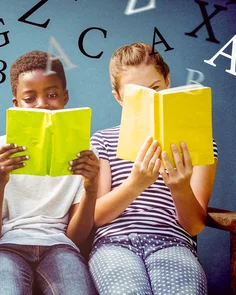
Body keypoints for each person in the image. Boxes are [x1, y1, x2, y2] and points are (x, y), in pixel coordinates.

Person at [89, 42, 218, 295]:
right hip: (114, 244)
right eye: (136, 94)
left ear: (168, 82)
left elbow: (193, 226)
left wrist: (179, 187)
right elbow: (97, 216)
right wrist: (135, 183)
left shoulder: (201, 143)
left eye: (155, 88)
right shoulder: (102, 141)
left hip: (173, 243)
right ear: (118, 98)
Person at [0, 50, 98, 295]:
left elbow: (75, 238)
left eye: (52, 95)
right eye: (30, 98)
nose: (43, 104)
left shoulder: (85, 153)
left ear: (65, 98)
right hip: (6, 247)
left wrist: (91, 188)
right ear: (17, 105)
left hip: (59, 247)